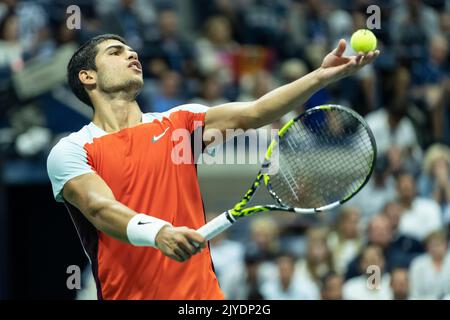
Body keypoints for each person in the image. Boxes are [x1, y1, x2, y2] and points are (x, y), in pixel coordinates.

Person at [46, 33, 378, 300]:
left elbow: (254, 112)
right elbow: (100, 207)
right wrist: (158, 233)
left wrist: (319, 77)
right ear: (87, 76)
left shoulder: (178, 126)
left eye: (132, 50)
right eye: (116, 52)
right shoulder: (72, 150)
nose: (132, 55)